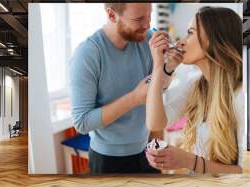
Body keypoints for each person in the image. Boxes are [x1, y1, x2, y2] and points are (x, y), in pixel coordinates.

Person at [70, 3, 184, 174]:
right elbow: (82, 123)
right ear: (111, 15)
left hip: (147, 150)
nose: (147, 25)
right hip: (107, 160)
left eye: (149, 15)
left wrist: (168, 68)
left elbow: (157, 89)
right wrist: (134, 98)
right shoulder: (87, 54)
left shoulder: (147, 39)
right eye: (138, 19)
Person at [145, 6, 245, 175]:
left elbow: (241, 172)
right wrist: (160, 67)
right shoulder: (194, 85)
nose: (181, 41)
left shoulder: (240, 95)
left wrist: (187, 160)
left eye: (190, 32)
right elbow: (156, 123)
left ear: (214, 39)